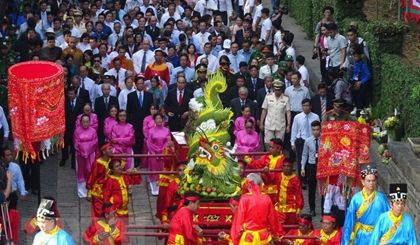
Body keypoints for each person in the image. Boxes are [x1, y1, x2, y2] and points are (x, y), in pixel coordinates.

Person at [341, 163, 390, 245]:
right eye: (368, 181)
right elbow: (349, 221)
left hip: (377, 236)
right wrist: (346, 240)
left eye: (373, 180)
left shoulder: (382, 198)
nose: (371, 183)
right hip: (361, 236)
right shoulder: (356, 199)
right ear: (363, 182)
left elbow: (388, 219)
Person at [230, 173, 285, 245]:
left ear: (247, 184)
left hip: (249, 238)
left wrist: (234, 238)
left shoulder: (244, 198)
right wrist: (277, 233)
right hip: (263, 237)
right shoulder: (266, 197)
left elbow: (239, 220)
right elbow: (273, 218)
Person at [291, 99, 320, 190]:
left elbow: (319, 129)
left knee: (311, 159)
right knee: (301, 159)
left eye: (307, 105)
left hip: (312, 140)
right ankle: (302, 180)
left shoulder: (315, 116)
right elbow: (294, 130)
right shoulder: (297, 117)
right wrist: (292, 143)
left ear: (310, 106)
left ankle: (310, 177)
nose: (306, 107)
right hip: (301, 140)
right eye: (304, 106)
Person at [103, 159, 142, 224]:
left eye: (119, 166)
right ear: (112, 170)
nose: (119, 167)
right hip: (115, 211)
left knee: (125, 229)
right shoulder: (109, 180)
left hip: (124, 210)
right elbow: (106, 197)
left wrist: (133, 173)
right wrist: (110, 211)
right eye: (116, 166)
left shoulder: (124, 177)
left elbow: (137, 181)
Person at [86, 142, 113, 221]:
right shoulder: (97, 163)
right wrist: (89, 193)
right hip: (98, 192)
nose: (112, 150)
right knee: (99, 212)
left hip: (109, 190)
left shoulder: (111, 161)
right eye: (109, 149)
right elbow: (92, 178)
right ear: (104, 152)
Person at [273, 158, 304, 225]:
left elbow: (298, 194)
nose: (286, 168)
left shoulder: (295, 179)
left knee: (291, 228)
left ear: (292, 167)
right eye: (284, 166)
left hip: (291, 209)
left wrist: (298, 209)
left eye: (288, 166)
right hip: (279, 208)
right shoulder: (278, 176)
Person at [74, 114, 98, 198]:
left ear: (89, 122)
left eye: (87, 122)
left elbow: (95, 142)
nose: (85, 123)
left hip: (91, 154)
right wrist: (83, 150)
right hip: (80, 154)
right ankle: (81, 192)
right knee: (81, 172)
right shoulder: (77, 131)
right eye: (83, 122)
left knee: (90, 170)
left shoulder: (93, 131)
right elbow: (76, 143)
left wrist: (87, 149)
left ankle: (91, 190)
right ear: (80, 122)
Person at [260, 82, 291, 147]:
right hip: (270, 123)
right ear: (273, 89)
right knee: (268, 142)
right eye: (276, 89)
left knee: (279, 144)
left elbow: (288, 112)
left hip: (280, 124)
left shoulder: (286, 98)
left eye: (279, 90)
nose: (277, 91)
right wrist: (261, 123)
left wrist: (288, 125)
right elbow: (264, 110)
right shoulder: (268, 96)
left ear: (281, 89)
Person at [147, 113, 171, 195]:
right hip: (154, 154)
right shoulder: (150, 131)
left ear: (163, 120)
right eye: (157, 118)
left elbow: (168, 141)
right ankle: (154, 189)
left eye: (160, 118)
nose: (159, 120)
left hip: (164, 154)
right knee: (154, 171)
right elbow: (149, 143)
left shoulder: (166, 130)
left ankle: (163, 188)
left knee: (163, 170)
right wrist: (157, 151)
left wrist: (163, 150)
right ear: (154, 120)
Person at [301, 120, 321, 217]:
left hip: (321, 165)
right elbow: (304, 155)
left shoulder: (325, 140)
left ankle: (324, 209)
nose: (315, 132)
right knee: (311, 188)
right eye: (313, 130)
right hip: (312, 165)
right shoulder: (308, 141)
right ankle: (312, 208)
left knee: (322, 189)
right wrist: (302, 168)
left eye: (317, 129)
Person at [61, 87, 85, 167]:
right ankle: (64, 157)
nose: (70, 96)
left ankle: (73, 162)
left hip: (76, 127)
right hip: (66, 127)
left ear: (76, 94)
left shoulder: (81, 102)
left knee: (74, 145)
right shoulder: (64, 101)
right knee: (64, 144)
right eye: (69, 94)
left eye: (72, 94)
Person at [350, 45, 371, 111]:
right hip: (356, 81)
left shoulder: (363, 65)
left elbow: (368, 75)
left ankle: (360, 110)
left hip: (362, 83)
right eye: (354, 56)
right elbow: (355, 73)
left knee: (360, 97)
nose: (355, 58)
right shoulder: (355, 64)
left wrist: (361, 82)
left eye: (356, 56)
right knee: (354, 95)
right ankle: (355, 107)